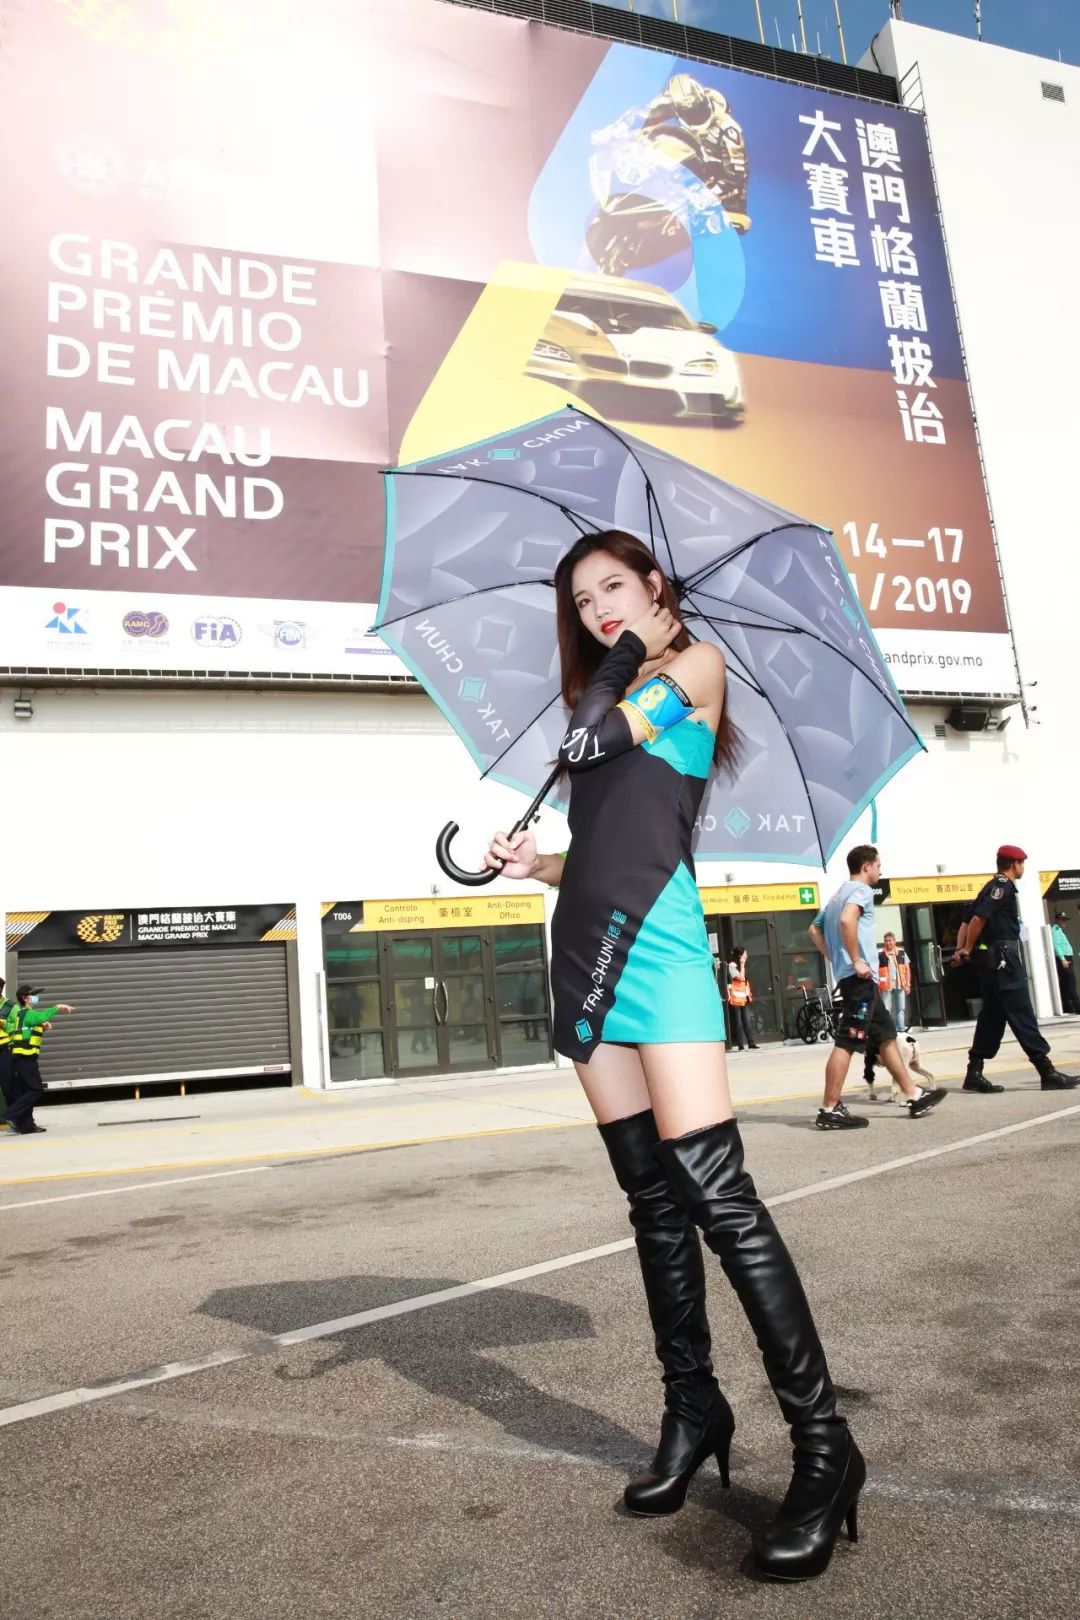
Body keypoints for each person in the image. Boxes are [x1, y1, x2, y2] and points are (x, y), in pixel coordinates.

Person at [486, 530, 863, 1583]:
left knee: (719, 1200)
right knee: (650, 1201)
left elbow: (605, 734)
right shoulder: (602, 698)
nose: (598, 609)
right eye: (582, 601)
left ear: (654, 585)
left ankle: (825, 1447)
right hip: (587, 951)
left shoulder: (695, 667)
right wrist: (538, 861)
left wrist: (619, 660)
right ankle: (692, 1409)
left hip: (663, 950)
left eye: (613, 587)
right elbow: (608, 838)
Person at [808, 846, 947, 1130]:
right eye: (878, 866)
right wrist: (855, 959)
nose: (881, 871)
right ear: (866, 866)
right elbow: (847, 920)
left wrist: (835, 957)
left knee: (886, 1035)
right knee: (847, 1040)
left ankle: (912, 1093)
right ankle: (830, 1108)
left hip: (857, 980)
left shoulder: (837, 895)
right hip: (860, 980)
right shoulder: (861, 891)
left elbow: (813, 929)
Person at [952, 847, 1077, 1092]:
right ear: (1015, 864)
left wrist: (960, 949)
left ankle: (974, 1072)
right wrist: (966, 948)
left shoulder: (988, 887)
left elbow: (967, 922)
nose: (1023, 868)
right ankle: (1047, 1071)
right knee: (1021, 1011)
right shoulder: (1003, 887)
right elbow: (977, 919)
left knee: (992, 1016)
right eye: (1022, 863)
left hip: (992, 961)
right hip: (1003, 958)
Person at [1, 985, 75, 1136]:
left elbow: (25, 1031)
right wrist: (57, 1007)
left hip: (20, 1057)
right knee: (35, 1090)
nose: (36, 997)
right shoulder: (28, 1014)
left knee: (27, 1090)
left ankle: (25, 1124)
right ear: (25, 998)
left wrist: (42, 1027)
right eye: (33, 994)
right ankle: (11, 1114)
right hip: (25, 1058)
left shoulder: (19, 1013)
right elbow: (41, 1017)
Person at [726, 946, 758, 1051]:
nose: (746, 955)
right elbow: (741, 978)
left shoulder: (740, 965)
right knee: (738, 1022)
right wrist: (742, 965)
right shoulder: (732, 966)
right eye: (745, 954)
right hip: (736, 997)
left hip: (744, 996)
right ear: (740, 956)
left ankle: (751, 1043)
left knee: (747, 1020)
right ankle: (740, 1045)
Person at [877, 933, 911, 1033]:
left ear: (894, 941)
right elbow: (876, 971)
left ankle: (901, 1029)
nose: (888, 943)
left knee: (900, 1009)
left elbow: (907, 970)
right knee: (887, 1009)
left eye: (890, 940)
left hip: (900, 985)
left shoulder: (902, 953)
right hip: (886, 986)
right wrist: (878, 987)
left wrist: (908, 984)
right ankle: (889, 1030)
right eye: (886, 941)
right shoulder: (880, 955)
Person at [1050, 912, 1080, 1015]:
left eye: (1065, 920)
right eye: (1062, 920)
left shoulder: (1060, 930)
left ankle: (1067, 1006)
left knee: (1066, 983)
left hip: (1067, 958)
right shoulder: (1055, 930)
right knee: (1070, 983)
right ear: (1057, 920)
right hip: (1064, 958)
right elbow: (1056, 945)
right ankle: (1077, 1006)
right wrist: (1062, 959)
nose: (1064, 922)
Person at [0, 978, 18, 1114]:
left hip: (4, 1052)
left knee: (8, 1086)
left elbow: (18, 1028)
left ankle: (15, 1117)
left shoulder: (11, 1007)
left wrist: (4, 1024)